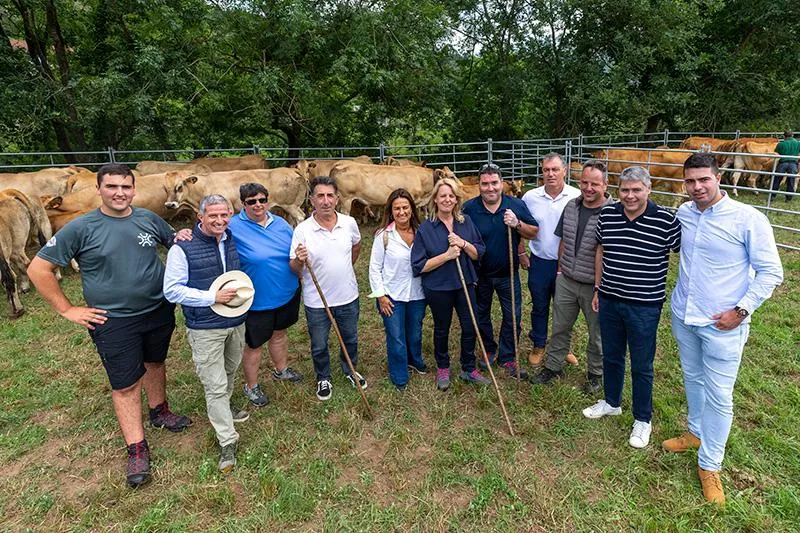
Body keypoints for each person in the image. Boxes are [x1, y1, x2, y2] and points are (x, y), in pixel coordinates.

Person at [27, 163, 191, 489]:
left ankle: (159, 410)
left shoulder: (147, 218)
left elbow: (175, 241)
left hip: (158, 309)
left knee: (155, 361)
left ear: (134, 189)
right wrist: (67, 309)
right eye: (112, 187)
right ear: (99, 189)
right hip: (113, 319)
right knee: (126, 384)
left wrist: (182, 236)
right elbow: (38, 269)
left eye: (126, 187)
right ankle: (137, 447)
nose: (119, 193)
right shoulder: (81, 227)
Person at [663, 152, 783, 504]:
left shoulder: (748, 218)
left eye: (704, 179)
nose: (697, 187)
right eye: (690, 181)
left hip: (724, 325)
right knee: (692, 377)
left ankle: (710, 465)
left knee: (720, 395)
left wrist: (741, 311)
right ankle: (696, 432)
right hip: (685, 314)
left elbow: (772, 272)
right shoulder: (684, 213)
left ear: (719, 177)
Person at [581, 166, 680, 450]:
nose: (630, 195)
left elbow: (686, 251)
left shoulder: (666, 221)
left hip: (644, 305)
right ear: (618, 190)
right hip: (610, 298)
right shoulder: (608, 215)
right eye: (625, 190)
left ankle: (642, 419)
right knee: (611, 354)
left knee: (642, 363)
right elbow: (601, 250)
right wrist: (598, 288)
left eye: (637, 190)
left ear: (649, 189)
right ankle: (612, 402)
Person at [163, 195, 252, 473]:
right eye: (212, 216)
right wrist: (212, 296)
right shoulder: (183, 246)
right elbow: (172, 290)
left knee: (230, 369)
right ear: (200, 216)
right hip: (205, 326)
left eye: (224, 215)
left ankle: (224, 407)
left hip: (236, 320)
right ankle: (227, 440)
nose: (219, 221)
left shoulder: (230, 236)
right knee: (213, 384)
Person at [530, 160, 612, 392]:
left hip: (594, 285)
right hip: (566, 278)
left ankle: (596, 373)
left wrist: (601, 285)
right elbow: (563, 239)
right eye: (584, 182)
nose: (588, 188)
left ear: (605, 185)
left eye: (594, 184)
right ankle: (553, 366)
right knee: (560, 326)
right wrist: (559, 271)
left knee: (596, 332)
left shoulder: (613, 213)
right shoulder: (571, 207)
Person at [290, 176, 365, 401]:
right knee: (319, 343)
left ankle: (350, 369)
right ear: (311, 200)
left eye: (330, 195)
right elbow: (294, 267)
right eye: (320, 196)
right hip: (317, 301)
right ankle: (323, 376)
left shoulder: (348, 223)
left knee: (350, 338)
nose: (325, 201)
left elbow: (356, 246)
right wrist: (300, 260)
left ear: (337, 198)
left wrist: (343, 268)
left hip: (348, 295)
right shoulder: (303, 230)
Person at [228, 183, 302, 408]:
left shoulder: (280, 223)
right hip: (256, 298)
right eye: (251, 201)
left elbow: (293, 250)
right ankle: (251, 386)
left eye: (262, 200)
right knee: (254, 344)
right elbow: (207, 232)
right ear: (243, 204)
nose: (258, 205)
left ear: (268, 201)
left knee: (280, 333)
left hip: (286, 291)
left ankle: (281, 370)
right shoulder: (232, 226)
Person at [411, 177, 488, 391]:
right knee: (442, 329)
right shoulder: (426, 229)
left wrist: (463, 244)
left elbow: (479, 253)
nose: (447, 199)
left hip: (465, 284)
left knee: (470, 325)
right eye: (442, 195)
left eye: (451, 196)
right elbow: (419, 266)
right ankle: (443, 367)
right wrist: (446, 255)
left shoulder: (466, 222)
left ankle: (468, 367)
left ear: (456, 200)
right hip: (439, 287)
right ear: (435, 199)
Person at [462, 163, 538, 380]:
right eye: (485, 184)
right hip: (479, 275)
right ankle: (488, 349)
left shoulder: (515, 205)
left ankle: (508, 355)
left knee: (512, 316)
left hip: (508, 273)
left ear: (502, 183)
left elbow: (534, 232)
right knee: (481, 314)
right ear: (479, 185)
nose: (490, 188)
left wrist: (517, 224)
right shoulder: (469, 209)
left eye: (494, 183)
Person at [520, 153, 581, 366]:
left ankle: (562, 347)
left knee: (564, 308)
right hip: (540, 260)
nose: (550, 174)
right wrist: (521, 252)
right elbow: (520, 226)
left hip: (567, 263)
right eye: (546, 170)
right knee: (539, 305)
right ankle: (538, 344)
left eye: (555, 169)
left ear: (565, 170)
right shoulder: (530, 197)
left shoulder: (576, 196)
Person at [368, 188, 427, 390]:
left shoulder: (422, 233)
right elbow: (374, 269)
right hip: (391, 295)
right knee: (396, 337)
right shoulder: (383, 236)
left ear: (412, 209)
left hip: (418, 293)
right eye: (397, 209)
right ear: (390, 212)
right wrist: (381, 296)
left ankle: (415, 361)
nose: (401, 212)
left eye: (405, 207)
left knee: (415, 333)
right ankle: (399, 374)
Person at [770, 130, 799, 203]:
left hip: (783, 163)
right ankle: (788, 198)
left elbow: (776, 153)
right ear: (792, 136)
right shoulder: (798, 143)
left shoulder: (781, 144)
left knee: (777, 179)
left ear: (784, 136)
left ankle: (772, 196)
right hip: (793, 164)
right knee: (791, 181)